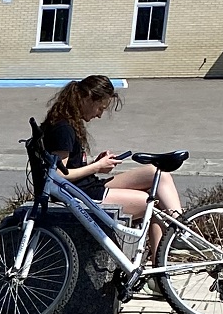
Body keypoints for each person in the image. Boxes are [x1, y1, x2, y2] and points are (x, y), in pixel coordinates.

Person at [40, 75, 182, 218]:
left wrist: (96, 163)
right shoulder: (63, 129)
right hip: (81, 194)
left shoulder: (66, 122)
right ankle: (178, 228)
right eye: (100, 108)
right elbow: (58, 175)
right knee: (152, 202)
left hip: (87, 186)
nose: (99, 115)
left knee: (158, 174)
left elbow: (69, 167)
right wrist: (97, 167)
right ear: (88, 98)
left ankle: (180, 225)